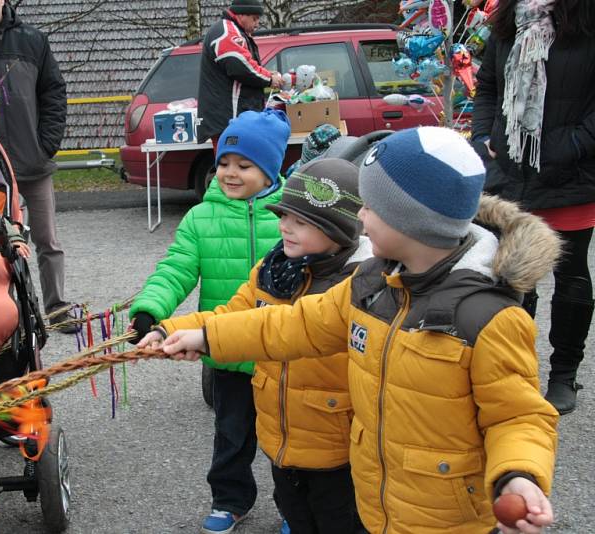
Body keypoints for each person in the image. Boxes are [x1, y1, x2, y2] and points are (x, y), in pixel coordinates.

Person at [162, 127, 560, 534]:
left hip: (448, 520)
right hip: (374, 509)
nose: (361, 217)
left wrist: (518, 475)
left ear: (412, 220)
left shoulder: (488, 317)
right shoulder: (369, 285)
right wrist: (204, 335)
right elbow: (290, 325)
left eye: (370, 207)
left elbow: (518, 416)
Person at [139, 158, 371, 534]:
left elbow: (284, 329)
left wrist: (207, 340)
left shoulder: (357, 286)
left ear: (339, 230)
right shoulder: (273, 269)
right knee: (297, 515)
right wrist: (169, 329)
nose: (284, 227)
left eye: (301, 222)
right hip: (280, 441)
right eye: (283, 216)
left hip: (338, 451)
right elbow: (231, 316)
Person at [129, 109, 290, 534]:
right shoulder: (201, 218)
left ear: (271, 168)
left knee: (290, 439)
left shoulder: (290, 216)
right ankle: (230, 500)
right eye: (223, 163)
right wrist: (150, 310)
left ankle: (296, 508)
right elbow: (175, 269)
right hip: (227, 350)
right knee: (232, 434)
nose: (230, 173)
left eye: (244, 165)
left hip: (284, 353)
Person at [472, 0, 595, 415]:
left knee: (571, 276)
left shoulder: (587, 20)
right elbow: (486, 85)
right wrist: (484, 136)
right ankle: (515, 371)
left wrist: (570, 144)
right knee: (513, 276)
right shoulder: (507, 21)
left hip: (571, 175)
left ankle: (564, 374)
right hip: (510, 170)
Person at [0, 0, 74, 331]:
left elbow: (54, 93)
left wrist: (46, 145)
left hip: (31, 165)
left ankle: (56, 308)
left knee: (48, 242)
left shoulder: (33, 40)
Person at [197, 0, 283, 148]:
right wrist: (270, 79)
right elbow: (241, 67)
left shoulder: (232, 30)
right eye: (254, 19)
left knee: (239, 166)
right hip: (229, 120)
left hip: (232, 119)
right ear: (242, 14)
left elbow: (246, 64)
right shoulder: (227, 32)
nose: (257, 24)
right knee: (233, 165)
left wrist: (267, 73)